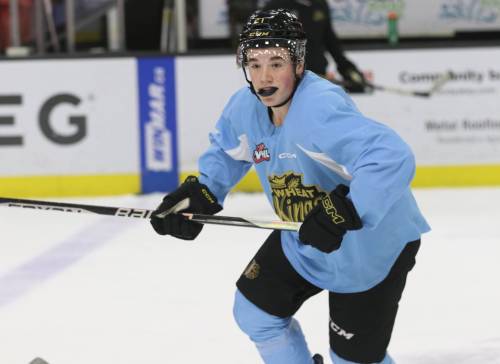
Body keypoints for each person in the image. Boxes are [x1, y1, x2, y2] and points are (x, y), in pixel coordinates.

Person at [150, 8, 430, 364]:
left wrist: (349, 209)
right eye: (253, 63)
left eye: (276, 63)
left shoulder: (318, 108)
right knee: (255, 313)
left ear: (298, 65)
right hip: (303, 237)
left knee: (353, 360)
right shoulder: (245, 107)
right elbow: (229, 151)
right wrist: (202, 192)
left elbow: (391, 157)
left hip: (370, 248)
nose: (264, 77)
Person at [261, 0, 367, 93]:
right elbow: (263, 47)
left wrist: (347, 69)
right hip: (284, 82)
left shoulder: (319, 4)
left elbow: (330, 41)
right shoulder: (275, 7)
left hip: (317, 76)